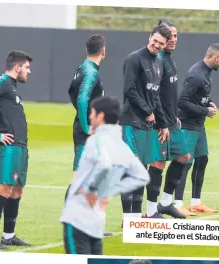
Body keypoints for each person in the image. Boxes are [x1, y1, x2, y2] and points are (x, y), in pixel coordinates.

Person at [60, 96, 150, 255]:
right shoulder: (121, 146)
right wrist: (109, 190)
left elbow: (104, 163)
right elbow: (142, 176)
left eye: (92, 113)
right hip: (96, 222)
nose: (89, 116)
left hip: (77, 219)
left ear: (100, 116)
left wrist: (92, 189)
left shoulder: (95, 140)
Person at [0, 50, 32, 249]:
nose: (29, 71)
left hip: (20, 147)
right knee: (4, 190)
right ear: (17, 67)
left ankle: (8, 236)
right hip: (8, 148)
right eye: (27, 67)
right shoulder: (1, 82)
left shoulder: (12, 87)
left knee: (17, 191)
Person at [119, 24, 171, 222]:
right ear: (149, 37)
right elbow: (129, 90)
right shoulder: (134, 58)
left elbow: (155, 96)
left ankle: (135, 218)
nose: (156, 45)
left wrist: (163, 123)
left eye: (161, 43)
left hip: (147, 124)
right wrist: (147, 111)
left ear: (166, 45)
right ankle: (127, 218)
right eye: (154, 40)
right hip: (131, 121)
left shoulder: (158, 63)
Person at [174, 43, 219, 215]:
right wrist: (205, 110)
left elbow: (199, 95)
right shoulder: (196, 74)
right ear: (216, 57)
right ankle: (177, 204)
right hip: (188, 126)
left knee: (202, 159)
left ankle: (196, 203)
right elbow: (182, 101)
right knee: (184, 164)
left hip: (199, 125)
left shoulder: (205, 72)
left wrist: (209, 101)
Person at [146, 20, 190, 219]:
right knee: (158, 163)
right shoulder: (158, 61)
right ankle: (150, 210)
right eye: (169, 36)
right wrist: (161, 121)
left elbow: (168, 93)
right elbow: (154, 95)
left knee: (183, 157)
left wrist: (175, 116)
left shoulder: (170, 59)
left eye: (175, 35)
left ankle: (164, 203)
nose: (173, 39)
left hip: (172, 120)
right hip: (159, 123)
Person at [66, 34, 106, 201]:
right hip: (86, 132)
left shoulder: (82, 68)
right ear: (104, 51)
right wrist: (86, 126)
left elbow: (71, 93)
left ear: (86, 50)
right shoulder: (91, 72)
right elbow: (82, 100)